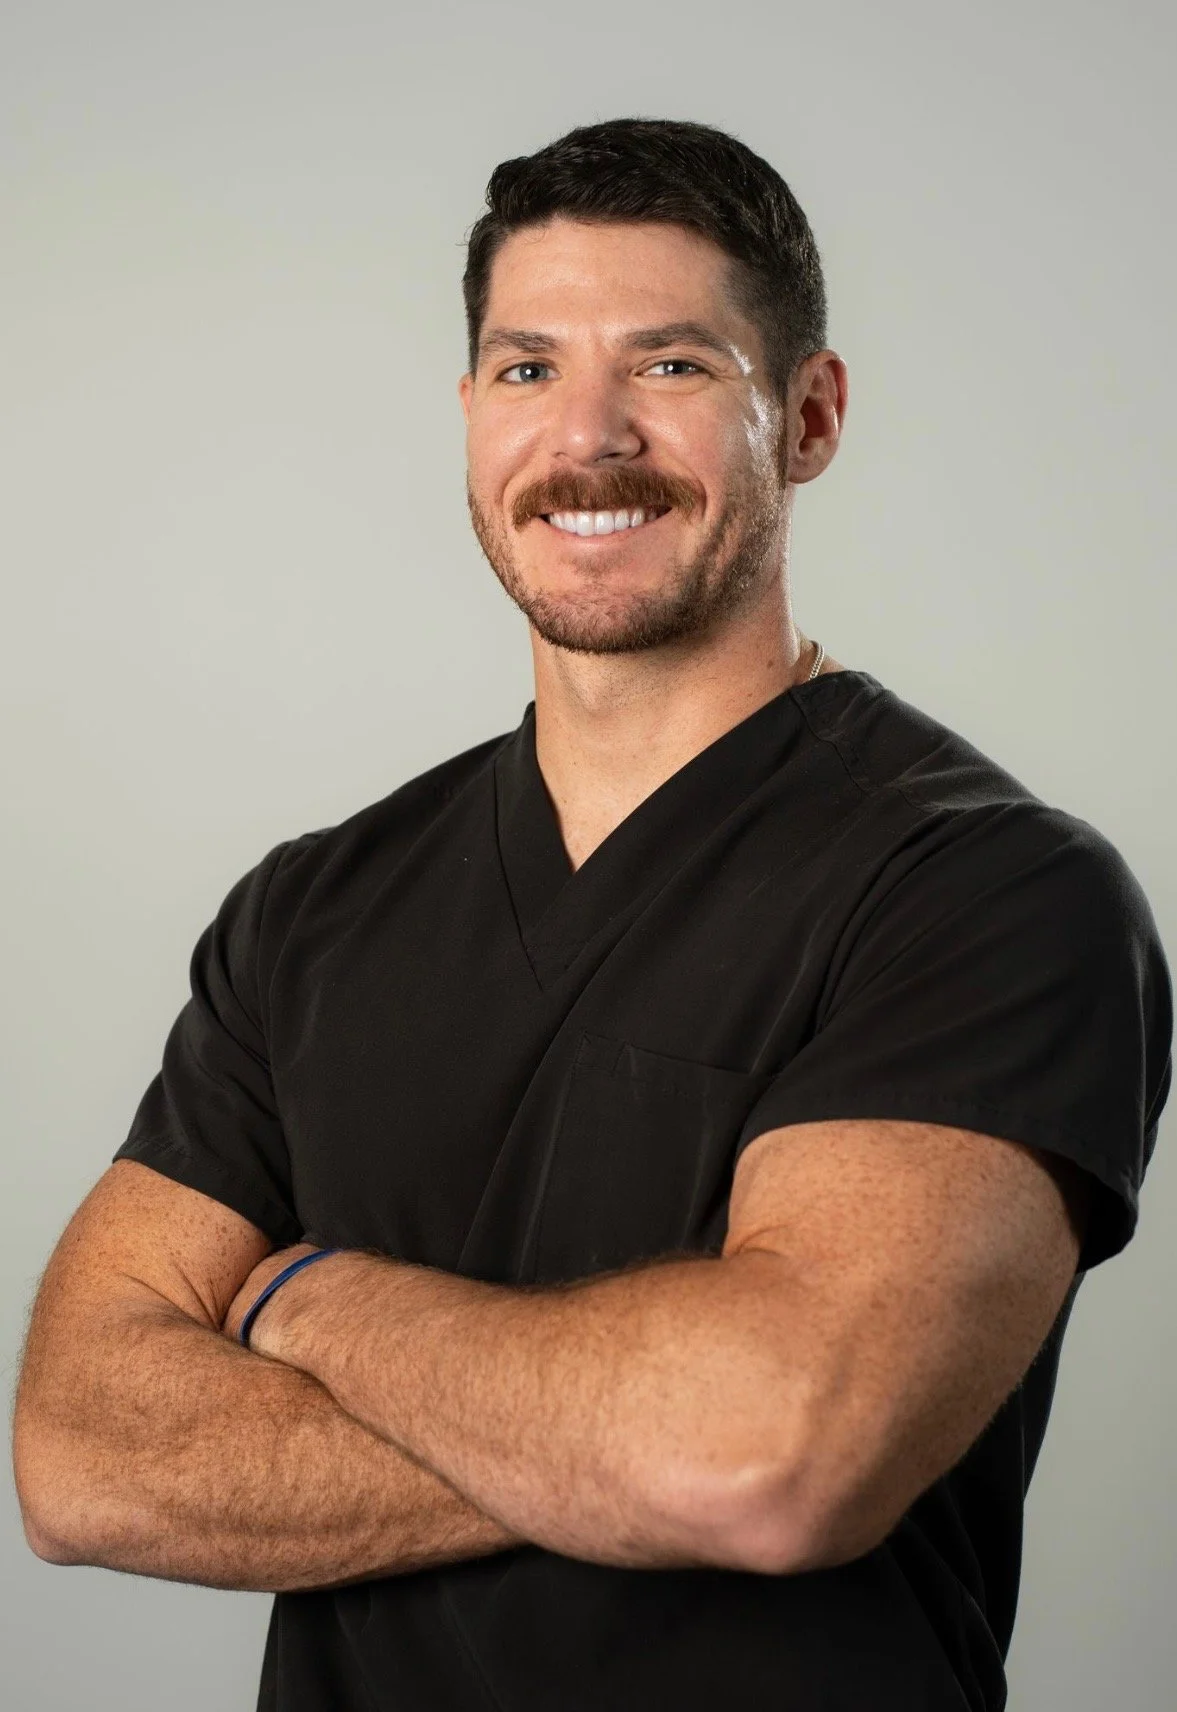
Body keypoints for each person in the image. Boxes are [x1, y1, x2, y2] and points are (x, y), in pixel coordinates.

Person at [12, 117, 1172, 1712]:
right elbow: (78, 1455)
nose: (589, 435)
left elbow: (775, 1457)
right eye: (527, 368)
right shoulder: (311, 912)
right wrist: (628, 1440)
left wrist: (302, 1299)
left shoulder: (988, 895)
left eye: (673, 365)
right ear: (470, 415)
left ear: (810, 416)